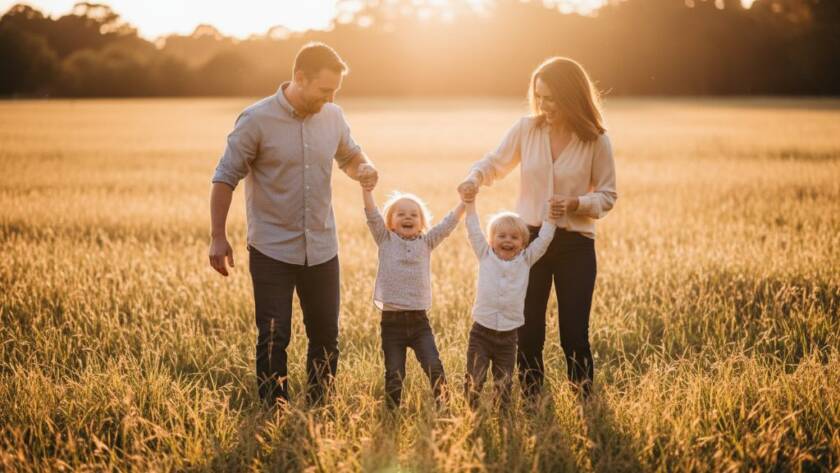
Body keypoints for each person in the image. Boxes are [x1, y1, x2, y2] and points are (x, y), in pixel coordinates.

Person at [208, 42, 378, 407]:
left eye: (335, 91)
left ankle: (319, 409)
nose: (330, 98)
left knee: (326, 336)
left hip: (322, 247)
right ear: (299, 78)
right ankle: (274, 410)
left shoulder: (333, 116)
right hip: (272, 249)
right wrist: (218, 237)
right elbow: (225, 177)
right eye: (323, 90)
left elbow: (349, 154)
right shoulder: (255, 119)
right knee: (273, 336)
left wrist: (363, 167)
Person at [458, 57, 617, 399]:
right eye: (539, 97)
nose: (543, 105)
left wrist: (577, 203)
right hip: (528, 244)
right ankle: (532, 401)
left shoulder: (596, 140)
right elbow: (493, 163)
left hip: (576, 244)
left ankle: (585, 401)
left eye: (552, 98)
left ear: (572, 96)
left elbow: (608, 196)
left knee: (574, 332)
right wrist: (474, 178)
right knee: (528, 331)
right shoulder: (526, 129)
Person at [362, 179, 465, 409]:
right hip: (392, 324)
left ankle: (445, 408)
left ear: (422, 223)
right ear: (390, 222)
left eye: (413, 215)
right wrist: (366, 191)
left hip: (420, 323)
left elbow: (447, 225)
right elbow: (371, 214)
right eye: (400, 214)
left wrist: (464, 204)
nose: (407, 217)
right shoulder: (385, 239)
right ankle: (392, 413)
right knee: (395, 374)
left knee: (434, 366)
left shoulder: (427, 242)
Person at [462, 191, 555, 409]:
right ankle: (468, 414)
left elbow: (544, 239)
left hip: (508, 336)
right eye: (501, 236)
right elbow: (473, 230)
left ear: (523, 243)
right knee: (475, 378)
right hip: (481, 332)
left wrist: (550, 217)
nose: (507, 241)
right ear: (491, 240)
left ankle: (503, 418)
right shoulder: (485, 255)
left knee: (503, 384)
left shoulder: (526, 260)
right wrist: (470, 204)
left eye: (514, 237)